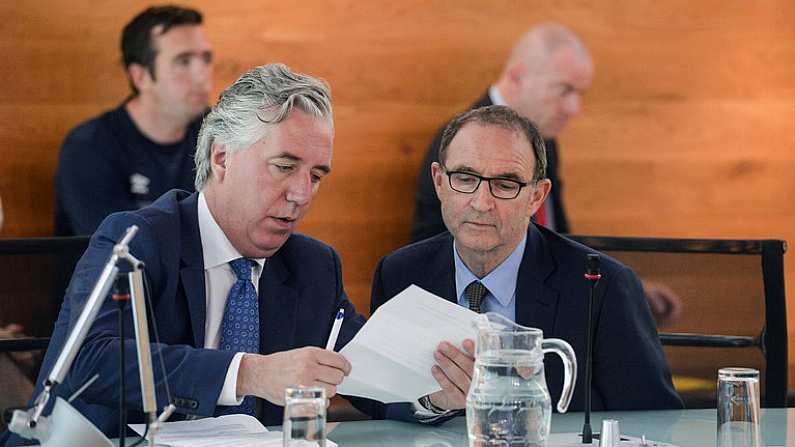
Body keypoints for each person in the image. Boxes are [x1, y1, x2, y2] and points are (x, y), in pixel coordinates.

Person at [6, 64, 361, 445]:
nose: (302, 194)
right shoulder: (137, 240)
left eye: (317, 176)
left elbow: (370, 373)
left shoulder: (314, 266)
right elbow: (90, 361)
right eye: (284, 166)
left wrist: (430, 396)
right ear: (222, 157)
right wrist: (248, 374)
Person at [372, 105, 683, 413]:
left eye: (505, 185)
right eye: (465, 179)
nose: (481, 203)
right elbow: (375, 399)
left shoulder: (602, 287)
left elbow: (654, 417)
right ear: (439, 181)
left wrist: (518, 403)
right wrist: (429, 404)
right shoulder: (399, 274)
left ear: (537, 196)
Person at [410, 23, 682, 328]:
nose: (573, 107)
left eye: (579, 93)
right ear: (517, 76)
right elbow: (435, 256)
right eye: (565, 89)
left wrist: (617, 284)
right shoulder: (461, 142)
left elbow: (557, 237)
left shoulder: (542, 139)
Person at [54, 5, 212, 236]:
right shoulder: (89, 147)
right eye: (183, 61)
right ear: (140, 77)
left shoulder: (220, 136)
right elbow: (118, 249)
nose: (202, 75)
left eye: (206, 58)